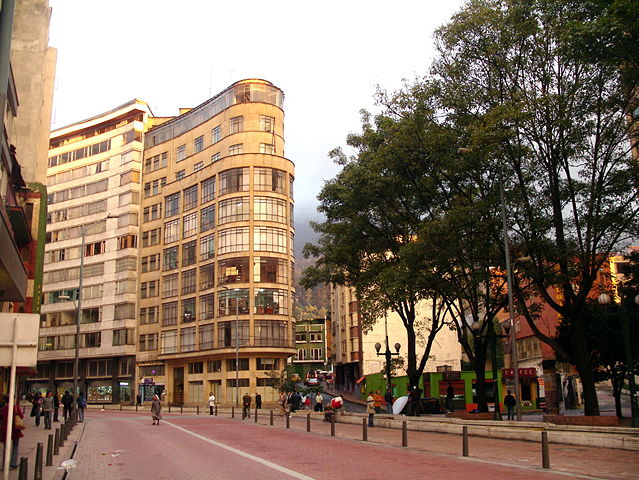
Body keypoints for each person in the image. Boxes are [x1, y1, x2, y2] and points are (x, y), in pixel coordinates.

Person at [0, 394, 24, 470]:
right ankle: (13, 464)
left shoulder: (3, 409)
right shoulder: (15, 408)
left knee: (5, 448)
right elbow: (21, 416)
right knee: (15, 447)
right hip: (15, 429)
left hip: (5, 430)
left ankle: (4, 464)